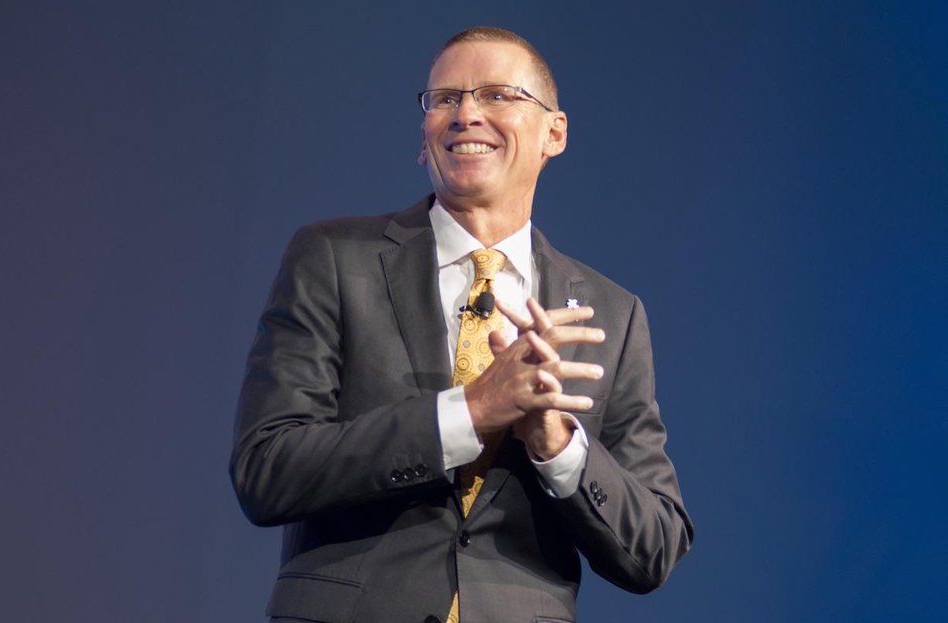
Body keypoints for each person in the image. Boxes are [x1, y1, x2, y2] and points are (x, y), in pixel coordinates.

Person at [231, 26, 693, 623]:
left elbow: (654, 547)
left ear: (554, 133)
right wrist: (470, 411)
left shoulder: (612, 313)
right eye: (445, 98)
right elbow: (267, 469)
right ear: (424, 140)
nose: (467, 114)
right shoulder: (334, 258)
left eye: (498, 94)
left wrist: (557, 445)